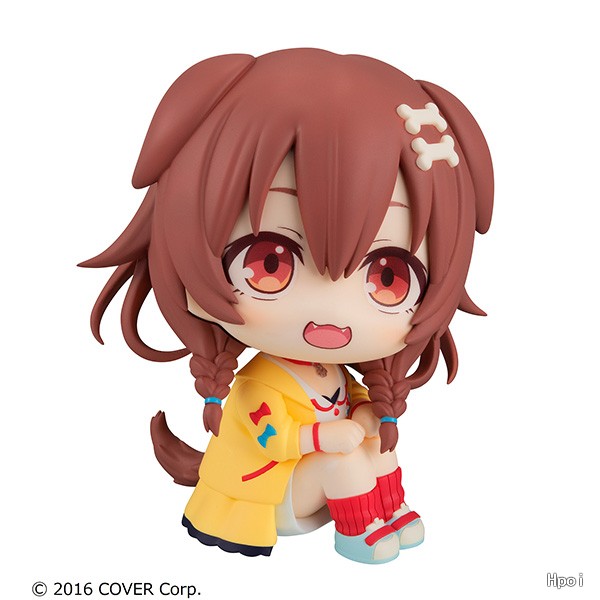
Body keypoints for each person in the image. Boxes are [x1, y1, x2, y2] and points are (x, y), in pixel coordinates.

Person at [81, 48, 493, 564]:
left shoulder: (330, 373)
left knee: (374, 449)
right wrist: (324, 435)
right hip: (263, 491)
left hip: (308, 486)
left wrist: (366, 415)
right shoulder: (259, 384)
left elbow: (346, 406)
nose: (332, 314)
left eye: (388, 277)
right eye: (269, 263)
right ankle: (359, 533)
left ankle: (390, 511)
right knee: (344, 463)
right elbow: (272, 438)